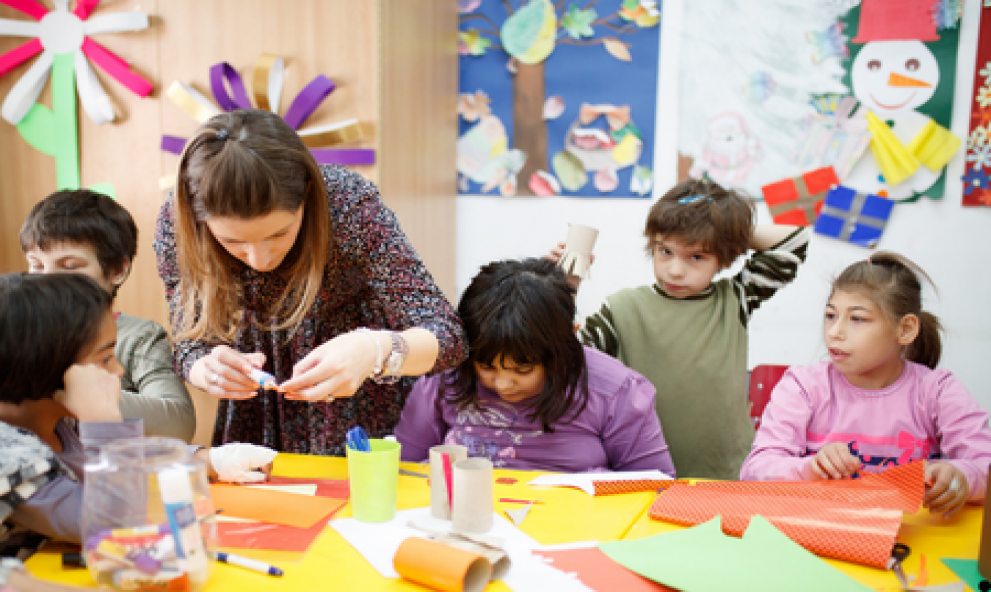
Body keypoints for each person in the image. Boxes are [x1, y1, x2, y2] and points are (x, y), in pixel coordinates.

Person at [153, 109, 467, 455]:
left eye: (278, 234)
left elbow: (448, 335)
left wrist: (374, 350)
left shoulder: (347, 205)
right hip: (257, 410)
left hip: (361, 394)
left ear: (306, 193)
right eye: (233, 242)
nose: (259, 260)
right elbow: (187, 341)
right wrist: (204, 368)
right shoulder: (178, 221)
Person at [0, 274, 275, 559]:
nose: (119, 370)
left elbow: (137, 456)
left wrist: (213, 460)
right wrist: (103, 424)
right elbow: (116, 523)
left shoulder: (60, 421)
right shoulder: (11, 458)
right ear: (44, 366)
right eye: (105, 358)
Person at [552, 179, 809, 480]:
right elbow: (564, 357)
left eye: (696, 256)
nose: (674, 270)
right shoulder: (622, 309)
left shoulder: (735, 299)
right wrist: (563, 286)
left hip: (728, 474)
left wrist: (724, 227)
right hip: (642, 473)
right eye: (665, 251)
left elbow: (795, 241)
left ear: (724, 258)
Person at [741, 252, 991, 519]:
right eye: (830, 315)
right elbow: (754, 472)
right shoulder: (803, 386)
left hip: (912, 536)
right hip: (823, 531)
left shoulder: (938, 391)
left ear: (906, 329)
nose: (834, 332)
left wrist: (961, 477)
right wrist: (810, 468)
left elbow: (983, 465)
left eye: (857, 319)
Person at [395, 258, 675, 474]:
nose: (503, 384)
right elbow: (405, 467)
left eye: (523, 370)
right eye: (486, 366)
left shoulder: (617, 390)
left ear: (566, 345)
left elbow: (654, 486)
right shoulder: (446, 374)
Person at [20, 190, 195, 441]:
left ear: (117, 270)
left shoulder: (139, 336)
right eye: (36, 265)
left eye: (69, 266)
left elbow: (179, 424)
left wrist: (69, 396)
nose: (46, 281)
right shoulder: (18, 331)